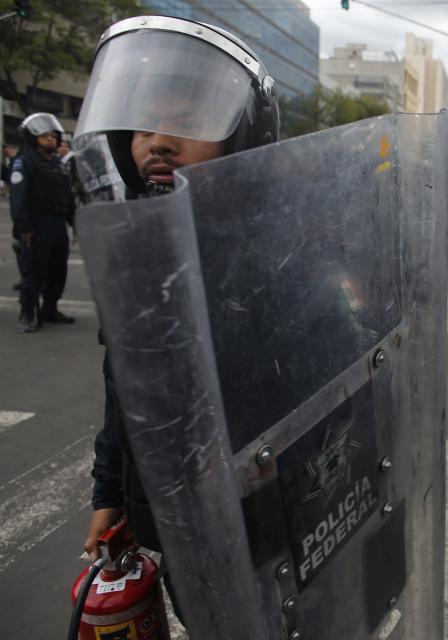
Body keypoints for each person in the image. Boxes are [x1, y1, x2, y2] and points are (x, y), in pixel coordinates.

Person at [76, 15, 279, 580]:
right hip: (169, 523)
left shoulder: (283, 251)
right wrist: (107, 495)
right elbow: (125, 401)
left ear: (245, 132)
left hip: (269, 520)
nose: (158, 141)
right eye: (141, 127)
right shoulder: (140, 256)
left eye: (188, 120)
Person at [9, 112, 76, 332]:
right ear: (33, 138)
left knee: (58, 269)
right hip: (36, 225)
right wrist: (24, 228)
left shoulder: (57, 164)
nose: (50, 139)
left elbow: (66, 196)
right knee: (34, 271)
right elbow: (18, 200)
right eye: (45, 136)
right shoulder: (24, 162)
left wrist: (74, 221)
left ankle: (49, 307)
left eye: (53, 136)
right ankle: (27, 313)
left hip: (57, 224)